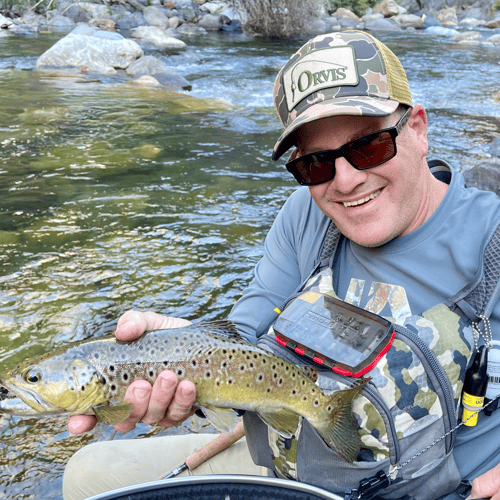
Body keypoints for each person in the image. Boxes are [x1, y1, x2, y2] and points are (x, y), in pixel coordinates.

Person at [63, 30, 500, 500]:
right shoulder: (305, 216)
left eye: (369, 146)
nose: (347, 181)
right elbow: (243, 339)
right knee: (89, 475)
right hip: (285, 462)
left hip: (433, 489)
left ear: (416, 128)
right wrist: (173, 354)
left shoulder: (490, 237)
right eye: (315, 164)